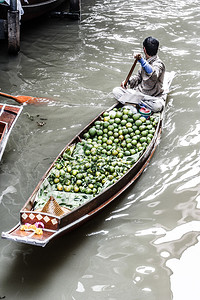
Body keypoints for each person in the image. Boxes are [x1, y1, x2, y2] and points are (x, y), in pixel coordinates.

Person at [112, 36, 166, 112]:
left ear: (144, 49)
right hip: (139, 94)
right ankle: (137, 103)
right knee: (116, 91)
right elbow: (138, 77)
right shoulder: (145, 62)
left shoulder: (159, 64)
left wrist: (141, 60)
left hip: (152, 98)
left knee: (157, 106)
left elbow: (152, 72)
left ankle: (133, 103)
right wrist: (128, 81)